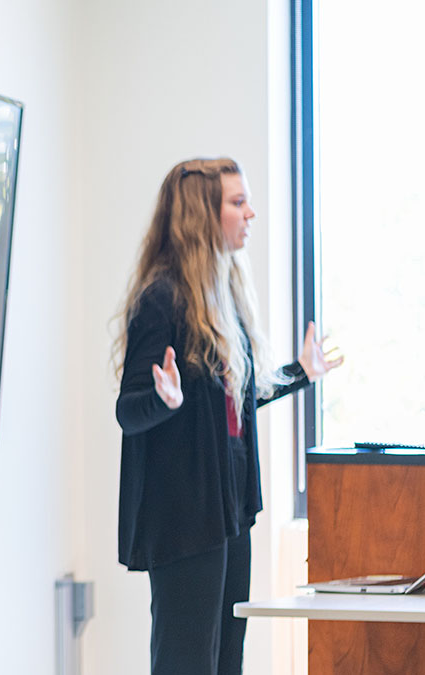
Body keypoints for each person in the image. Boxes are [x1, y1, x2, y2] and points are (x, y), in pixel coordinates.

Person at [114, 157, 341, 674]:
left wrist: (300, 372)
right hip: (185, 514)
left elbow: (233, 402)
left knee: (226, 663)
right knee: (187, 662)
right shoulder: (162, 301)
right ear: (202, 215)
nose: (251, 213)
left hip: (230, 510)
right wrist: (164, 399)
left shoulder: (222, 300)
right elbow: (128, 410)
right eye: (238, 203)